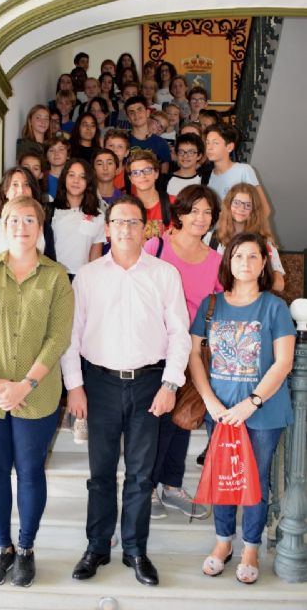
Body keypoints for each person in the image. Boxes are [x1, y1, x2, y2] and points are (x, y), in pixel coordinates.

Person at [61, 195, 191, 586]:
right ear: (107, 227)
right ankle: (97, 546)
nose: (126, 229)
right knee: (100, 474)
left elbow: (179, 335)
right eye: (119, 221)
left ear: (144, 228)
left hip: (150, 385)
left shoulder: (165, 274)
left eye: (134, 222)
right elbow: (72, 337)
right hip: (98, 384)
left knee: (140, 475)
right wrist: (75, 387)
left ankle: (135, 550)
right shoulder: (87, 276)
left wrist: (170, 384)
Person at [0, 196, 74, 587]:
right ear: (1, 225)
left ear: (40, 227)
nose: (21, 226)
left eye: (29, 219)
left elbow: (58, 338)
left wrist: (25, 384)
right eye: (13, 219)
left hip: (36, 395)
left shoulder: (56, 276)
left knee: (29, 473)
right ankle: (1, 547)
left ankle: (25, 549)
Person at [189, 232, 295, 584]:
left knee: (255, 482)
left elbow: (283, 363)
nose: (245, 263)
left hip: (262, 413)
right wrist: (210, 401)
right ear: (228, 262)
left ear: (264, 263)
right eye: (238, 256)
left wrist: (251, 404)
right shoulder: (211, 305)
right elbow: (194, 356)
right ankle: (223, 543)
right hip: (219, 411)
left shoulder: (274, 307)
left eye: (253, 257)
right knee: (223, 477)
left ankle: (251, 546)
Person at [144, 186, 222, 520]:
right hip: (153, 347)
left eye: (207, 213)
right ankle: (146, 486)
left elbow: (221, 305)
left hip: (191, 351)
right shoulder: (157, 246)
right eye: (194, 211)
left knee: (182, 419)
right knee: (155, 420)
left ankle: (172, 485)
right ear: (180, 213)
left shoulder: (217, 260)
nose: (200, 218)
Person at [203, 183, 285, 292]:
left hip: (252, 303)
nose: (241, 208)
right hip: (220, 302)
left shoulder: (264, 242)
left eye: (247, 205)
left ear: (254, 210)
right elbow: (201, 275)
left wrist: (259, 266)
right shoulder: (210, 239)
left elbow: (280, 286)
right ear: (228, 205)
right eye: (236, 203)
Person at [0, 166, 56, 261]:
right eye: (15, 185)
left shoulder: (45, 228)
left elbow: (51, 269)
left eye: (26, 185)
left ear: (33, 192)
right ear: (5, 191)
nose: (21, 190)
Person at [52, 157, 105, 279]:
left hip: (82, 278)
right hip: (54, 277)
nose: (76, 181)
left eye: (82, 177)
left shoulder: (98, 215)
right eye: (71, 175)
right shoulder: (51, 210)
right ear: (64, 178)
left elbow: (95, 256)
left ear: (88, 182)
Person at [204, 124, 271, 216]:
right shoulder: (210, 176)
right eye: (207, 143)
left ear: (230, 147)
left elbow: (264, 209)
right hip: (218, 229)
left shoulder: (243, 170)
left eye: (215, 143)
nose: (209, 147)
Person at [126, 149, 171, 240]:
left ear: (156, 173)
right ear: (131, 179)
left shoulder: (173, 203)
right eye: (136, 173)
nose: (142, 176)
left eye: (147, 170)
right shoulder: (125, 207)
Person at [125, 95, 171, 174]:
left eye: (139, 110)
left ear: (147, 113)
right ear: (128, 118)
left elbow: (164, 176)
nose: (136, 115)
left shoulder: (161, 143)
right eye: (131, 112)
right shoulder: (123, 141)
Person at [165, 133, 204, 203]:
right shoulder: (165, 180)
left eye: (191, 152)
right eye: (181, 152)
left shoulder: (204, 180)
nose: (185, 156)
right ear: (176, 154)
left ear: (199, 156)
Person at [44, 135, 71, 200]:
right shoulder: (41, 179)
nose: (56, 153)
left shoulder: (74, 179)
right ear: (46, 156)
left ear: (68, 155)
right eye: (51, 150)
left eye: (61, 149)